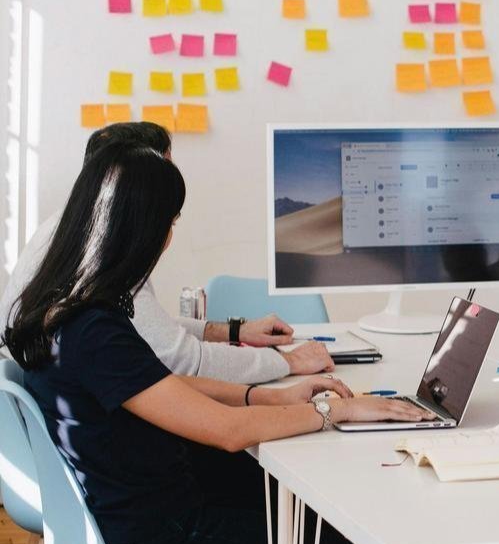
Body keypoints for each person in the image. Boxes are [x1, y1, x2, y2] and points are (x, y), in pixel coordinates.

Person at [2, 143, 431, 544]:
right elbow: (227, 432)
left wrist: (264, 396)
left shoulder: (59, 309)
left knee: (293, 514)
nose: (169, 238)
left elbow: (163, 387)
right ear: (146, 231)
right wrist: (336, 412)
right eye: (171, 222)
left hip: (126, 521)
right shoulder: (96, 329)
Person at [0, 122, 333, 384]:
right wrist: (287, 362)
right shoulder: (102, 255)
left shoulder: (67, 233)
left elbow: (142, 329)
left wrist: (233, 332)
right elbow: (183, 362)